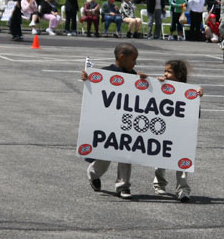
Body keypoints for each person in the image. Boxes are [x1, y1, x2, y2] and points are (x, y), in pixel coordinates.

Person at [80, 43, 147, 199]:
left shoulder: (133, 74)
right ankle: (93, 173)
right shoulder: (105, 73)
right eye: (133, 59)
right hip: (108, 123)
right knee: (105, 156)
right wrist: (86, 78)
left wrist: (144, 82)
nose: (135, 63)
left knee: (125, 155)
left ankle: (123, 186)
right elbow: (94, 90)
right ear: (122, 58)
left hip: (126, 123)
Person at [152, 60, 202, 202]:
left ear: (179, 74)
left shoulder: (188, 91)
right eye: (165, 71)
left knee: (182, 163)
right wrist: (156, 85)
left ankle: (183, 190)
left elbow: (195, 114)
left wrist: (196, 97)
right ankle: (159, 184)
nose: (165, 74)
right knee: (159, 159)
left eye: (168, 71)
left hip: (181, 133)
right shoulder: (161, 86)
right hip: (162, 130)